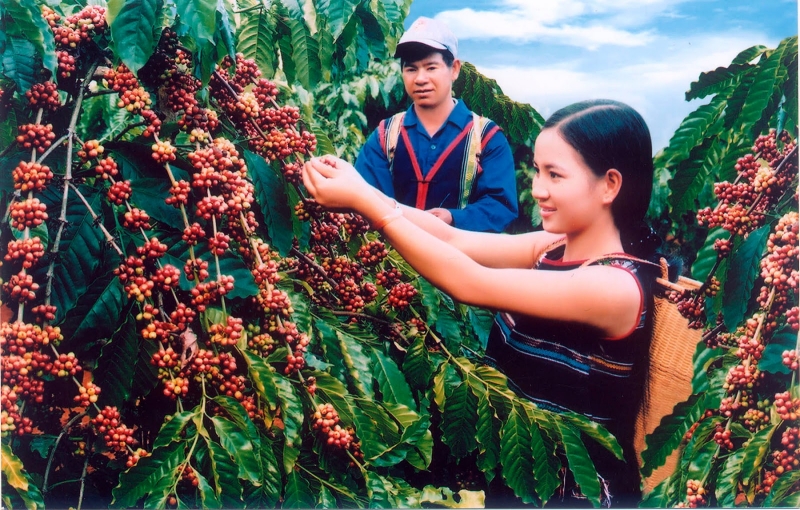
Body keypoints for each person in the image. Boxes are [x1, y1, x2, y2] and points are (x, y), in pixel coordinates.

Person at [303, 99, 663, 506]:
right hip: (522, 482)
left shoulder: (613, 286)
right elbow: (453, 240)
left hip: (576, 495)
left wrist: (367, 206)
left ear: (609, 185)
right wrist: (364, 191)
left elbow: (470, 281)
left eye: (555, 175)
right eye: (537, 171)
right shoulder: (552, 248)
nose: (537, 189)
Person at [354, 16, 519, 233]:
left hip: (462, 261)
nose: (420, 78)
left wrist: (454, 218)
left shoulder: (486, 138)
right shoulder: (386, 135)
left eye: (431, 67)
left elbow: (501, 205)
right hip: (392, 260)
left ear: (454, 69)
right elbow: (363, 196)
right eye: (411, 69)